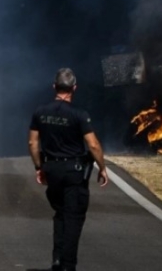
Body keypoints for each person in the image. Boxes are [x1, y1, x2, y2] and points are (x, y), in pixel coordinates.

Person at [28, 67, 109, 271]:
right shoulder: (79, 115)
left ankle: (57, 259)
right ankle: (67, 266)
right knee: (74, 218)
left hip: (52, 169)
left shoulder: (40, 112)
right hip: (73, 171)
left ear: (54, 87)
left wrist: (39, 167)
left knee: (60, 214)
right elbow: (93, 145)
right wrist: (102, 167)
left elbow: (32, 143)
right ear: (74, 88)